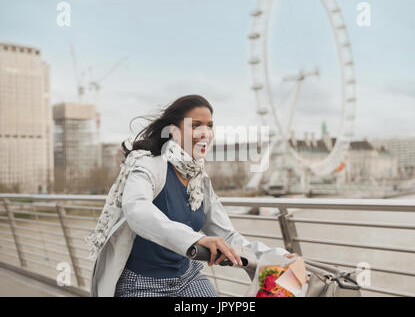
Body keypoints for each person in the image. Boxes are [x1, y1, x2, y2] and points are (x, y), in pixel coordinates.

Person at [87, 94, 297, 297]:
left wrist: (272, 256)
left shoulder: (201, 181)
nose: (205, 133)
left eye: (210, 126)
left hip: (187, 278)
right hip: (141, 284)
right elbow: (137, 210)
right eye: (196, 125)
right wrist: (198, 239)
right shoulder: (147, 166)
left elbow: (228, 236)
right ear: (174, 131)